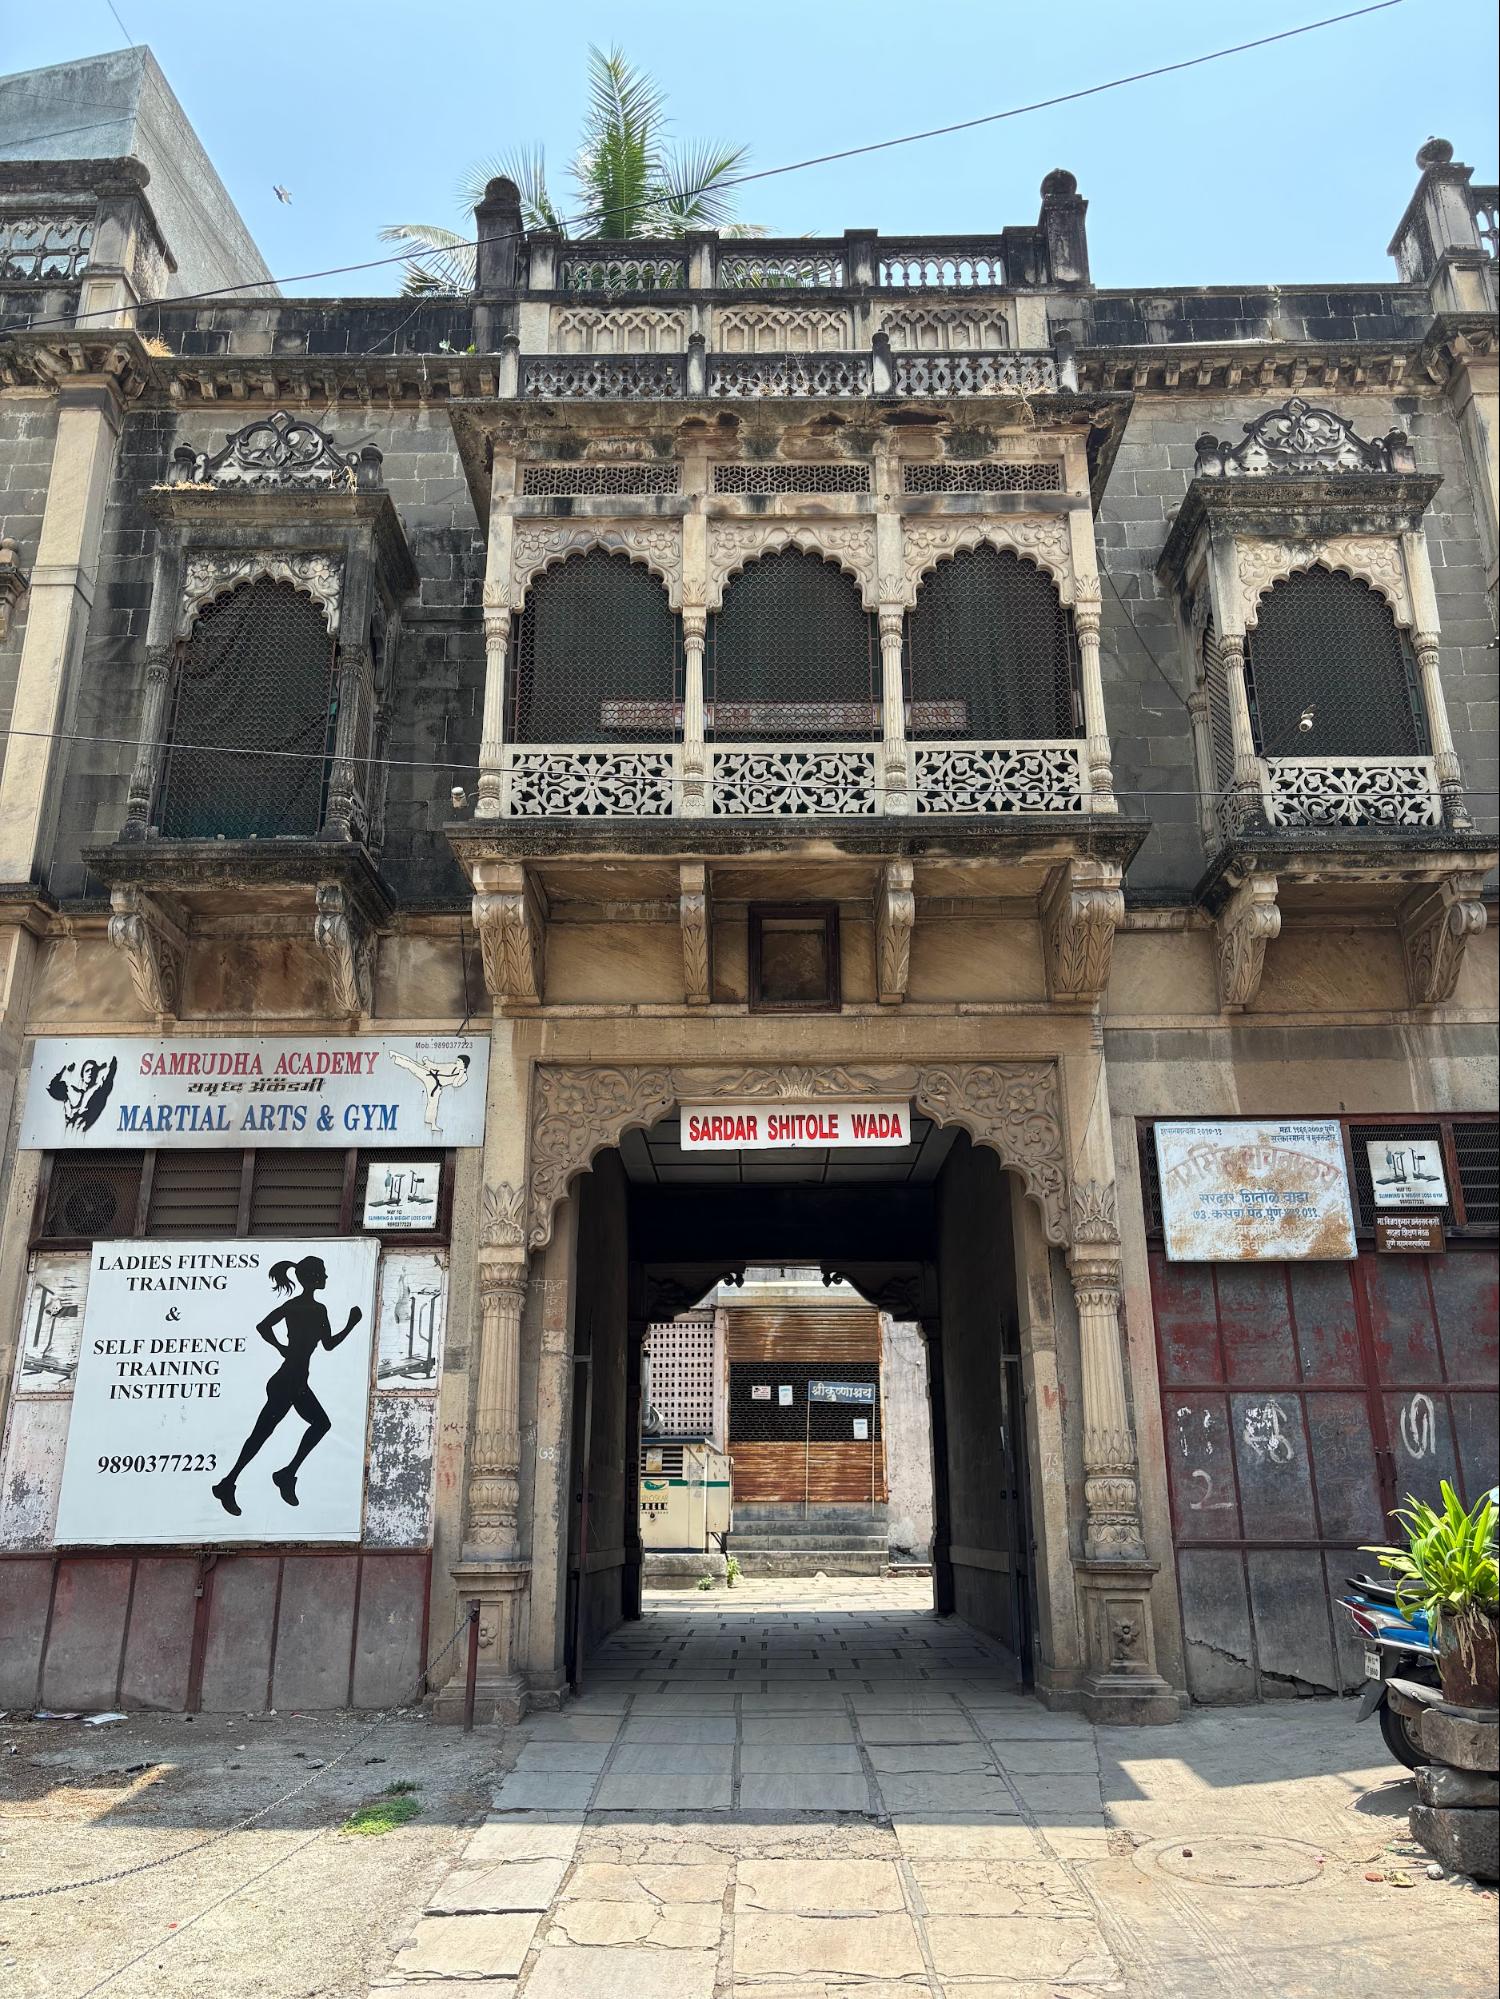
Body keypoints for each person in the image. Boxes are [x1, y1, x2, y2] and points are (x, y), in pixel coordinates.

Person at [211, 1255, 361, 1517]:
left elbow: (271, 1328)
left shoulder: (300, 1307)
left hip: (294, 1380)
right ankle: (234, 1482)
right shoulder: (313, 1309)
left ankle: (282, 1474)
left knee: (314, 1425)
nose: (326, 1277)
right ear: (313, 1278)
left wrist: (282, 1347)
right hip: (288, 1381)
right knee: (265, 1434)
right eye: (322, 1273)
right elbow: (326, 1343)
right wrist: (350, 1324)